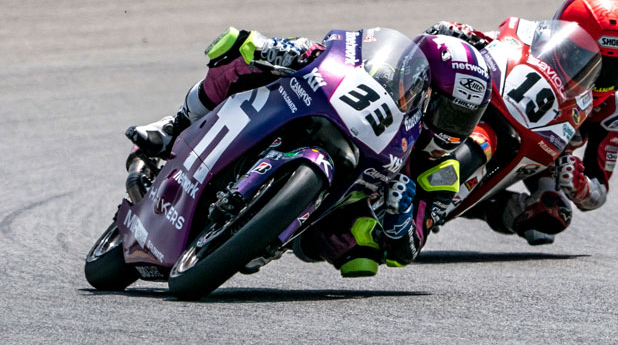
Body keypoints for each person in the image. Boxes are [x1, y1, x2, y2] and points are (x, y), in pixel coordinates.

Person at [127, 28, 491, 276]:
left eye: (465, 118)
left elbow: (408, 250)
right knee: (242, 49)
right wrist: (292, 50)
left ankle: (272, 234)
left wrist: (398, 219)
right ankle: (173, 125)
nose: (451, 128)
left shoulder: (442, 172)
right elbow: (341, 53)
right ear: (425, 90)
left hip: (339, 213)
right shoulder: (387, 77)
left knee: (361, 252)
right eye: (448, 112)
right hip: (336, 124)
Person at [424, 0, 618, 245]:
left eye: (611, 72)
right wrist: (462, 36)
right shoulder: (530, 39)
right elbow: (491, 44)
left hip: (543, 157)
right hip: (496, 111)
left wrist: (581, 186)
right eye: (586, 58)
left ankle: (479, 205)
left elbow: (599, 193)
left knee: (552, 213)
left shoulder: (613, 112)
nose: (596, 79)